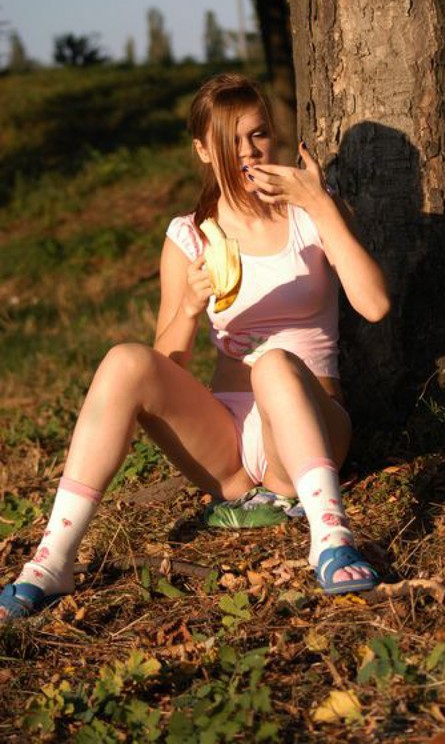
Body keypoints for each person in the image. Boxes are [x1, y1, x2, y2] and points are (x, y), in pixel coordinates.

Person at [0, 73, 390, 621]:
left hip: (307, 422)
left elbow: (374, 305)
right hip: (225, 446)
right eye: (230, 139)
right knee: (123, 360)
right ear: (203, 150)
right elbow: (165, 370)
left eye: (258, 134)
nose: (247, 151)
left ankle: (332, 540)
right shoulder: (191, 235)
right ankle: (52, 560)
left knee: (274, 364)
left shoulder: (311, 214)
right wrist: (187, 306)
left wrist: (320, 204)